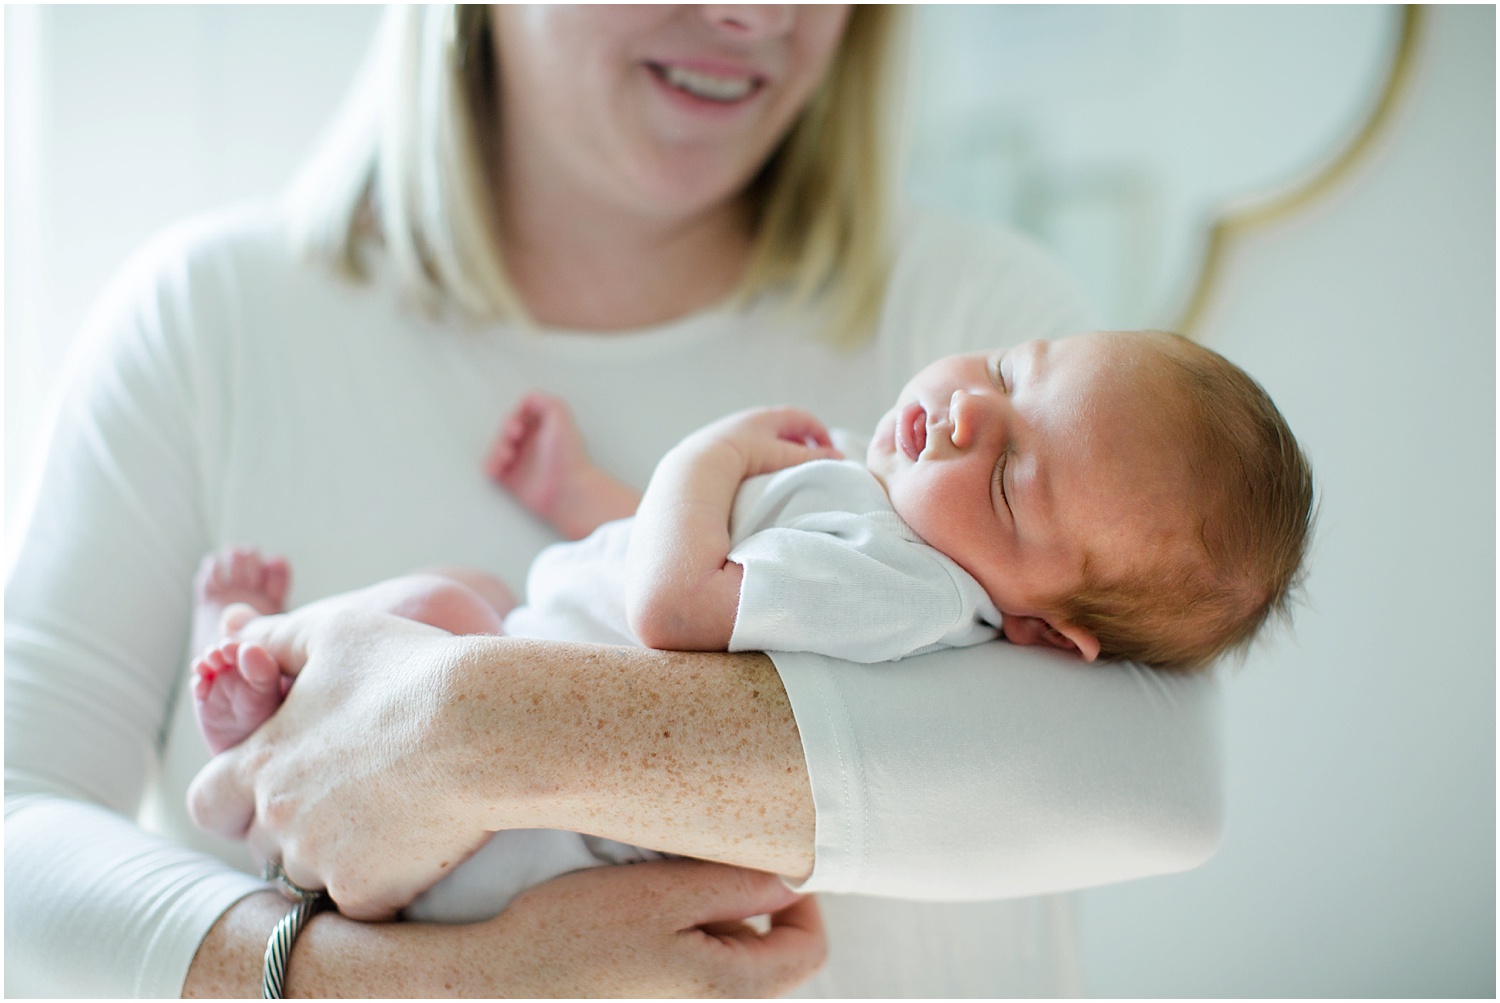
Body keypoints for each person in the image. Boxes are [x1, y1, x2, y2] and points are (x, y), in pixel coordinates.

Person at [5, 6, 1225, 997]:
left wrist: (473, 726)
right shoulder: (205, 323)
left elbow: (1162, 779)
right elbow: (17, 832)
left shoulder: (983, 308)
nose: (759, 15)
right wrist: (398, 986)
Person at [189, 328, 1310, 923]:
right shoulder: (889, 521)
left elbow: (675, 606)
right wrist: (581, 492)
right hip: (503, 750)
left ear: (1042, 628)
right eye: (1016, 370)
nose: (974, 411)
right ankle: (277, 690)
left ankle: (265, 659)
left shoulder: (903, 583)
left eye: (1012, 477)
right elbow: (692, 557)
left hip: (499, 838)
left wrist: (708, 452)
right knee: (463, 587)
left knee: (441, 613)